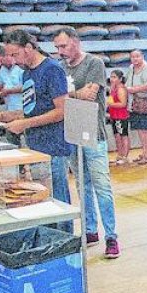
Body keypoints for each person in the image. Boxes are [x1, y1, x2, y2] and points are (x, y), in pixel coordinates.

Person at [54, 27, 120, 258]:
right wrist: (74, 94)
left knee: (102, 187)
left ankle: (111, 236)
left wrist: (66, 96)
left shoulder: (94, 64)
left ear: (75, 42)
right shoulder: (60, 68)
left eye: (63, 46)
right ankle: (90, 229)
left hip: (94, 133)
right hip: (72, 132)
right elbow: (67, 97)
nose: (60, 51)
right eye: (57, 48)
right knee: (82, 186)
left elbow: (90, 94)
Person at [0, 29, 72, 207]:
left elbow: (61, 111)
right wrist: (3, 116)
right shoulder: (27, 73)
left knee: (58, 203)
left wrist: (25, 123)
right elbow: (30, 110)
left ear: (28, 47)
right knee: (43, 201)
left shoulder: (52, 70)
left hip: (53, 147)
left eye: (15, 54)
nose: (14, 60)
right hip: (35, 147)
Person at [125, 49, 147, 165]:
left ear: (142, 56)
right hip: (134, 102)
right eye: (132, 57)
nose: (135, 59)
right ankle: (144, 152)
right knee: (140, 128)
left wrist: (135, 89)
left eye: (137, 56)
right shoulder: (131, 68)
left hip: (146, 102)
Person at [107, 70, 131, 165]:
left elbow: (123, 103)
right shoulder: (113, 88)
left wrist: (110, 104)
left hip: (121, 116)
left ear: (120, 79)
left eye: (114, 77)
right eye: (111, 77)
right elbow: (110, 100)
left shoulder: (121, 89)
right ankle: (120, 154)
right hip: (114, 115)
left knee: (123, 136)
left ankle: (125, 156)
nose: (112, 79)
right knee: (117, 136)